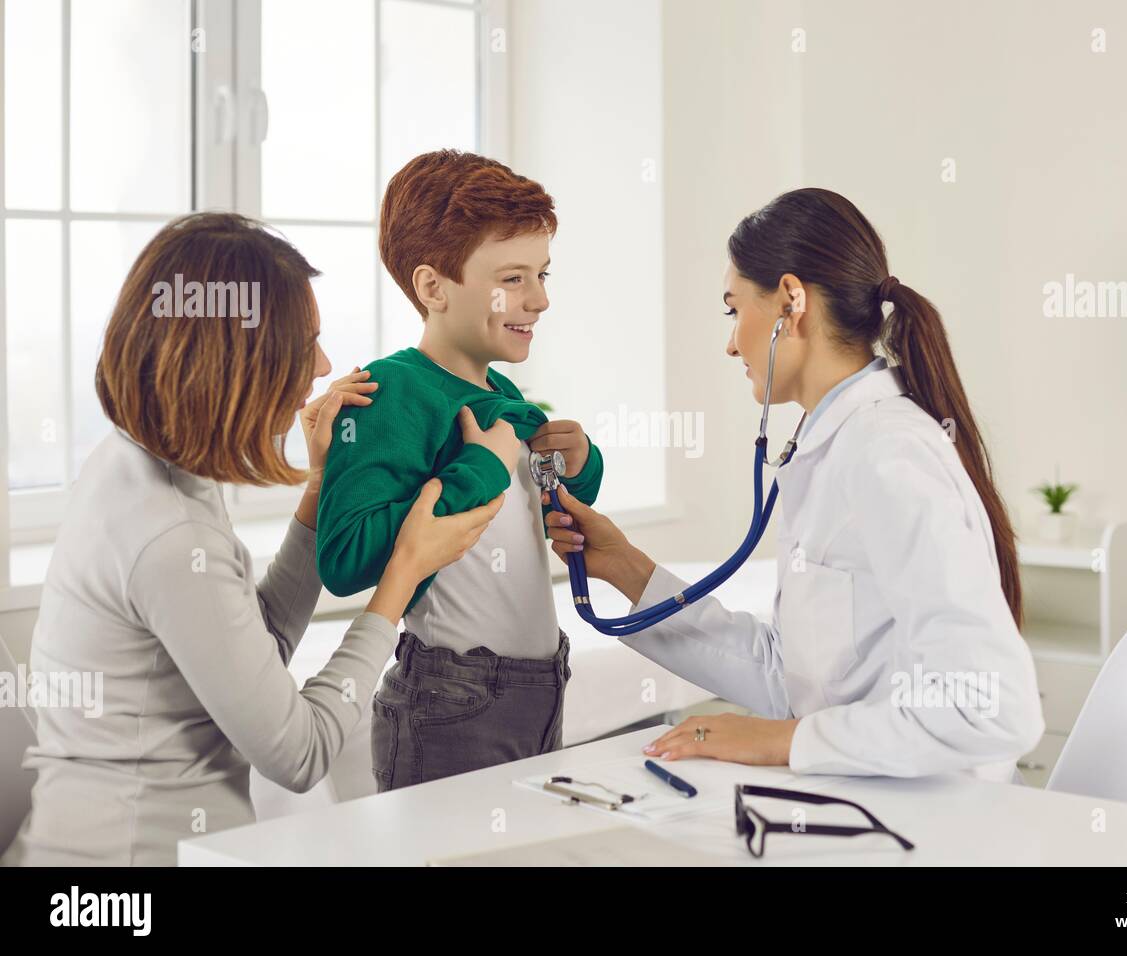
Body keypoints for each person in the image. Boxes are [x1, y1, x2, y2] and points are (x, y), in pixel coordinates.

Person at [2, 213, 502, 866]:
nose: (324, 366)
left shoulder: (138, 465)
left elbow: (246, 645)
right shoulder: (168, 532)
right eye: (305, 347)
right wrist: (403, 574)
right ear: (237, 361)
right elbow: (300, 753)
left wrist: (322, 490)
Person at [543, 188, 1045, 781]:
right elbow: (791, 676)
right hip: (865, 804)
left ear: (790, 300)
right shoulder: (836, 443)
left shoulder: (888, 455)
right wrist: (624, 566)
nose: (730, 343)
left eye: (733, 310)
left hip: (926, 827)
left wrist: (780, 741)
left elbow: (990, 709)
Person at [315, 150, 604, 788]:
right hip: (451, 702)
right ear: (433, 287)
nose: (541, 299)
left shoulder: (503, 396)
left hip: (541, 687)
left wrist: (580, 463)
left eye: (543, 274)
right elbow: (343, 559)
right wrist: (480, 467)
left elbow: (545, 501)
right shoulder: (387, 393)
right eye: (515, 277)